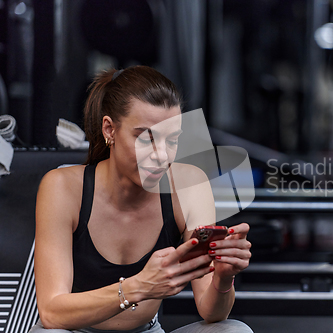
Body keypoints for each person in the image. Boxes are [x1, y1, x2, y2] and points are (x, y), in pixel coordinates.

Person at [29, 66, 253, 333]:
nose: (162, 156)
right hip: (77, 330)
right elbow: (52, 313)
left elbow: (210, 311)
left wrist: (223, 279)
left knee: (233, 330)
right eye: (146, 138)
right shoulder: (62, 187)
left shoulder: (189, 186)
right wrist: (139, 286)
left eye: (172, 141)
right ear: (110, 130)